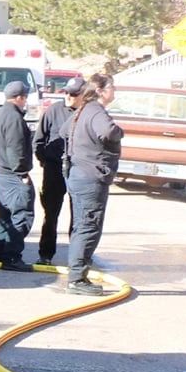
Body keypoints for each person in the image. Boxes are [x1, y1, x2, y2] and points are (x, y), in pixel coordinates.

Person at [64, 71, 124, 295]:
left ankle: (78, 274)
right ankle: (76, 279)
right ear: (100, 91)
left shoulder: (82, 110)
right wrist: (120, 132)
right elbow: (109, 131)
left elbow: (63, 131)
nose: (114, 91)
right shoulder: (96, 111)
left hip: (78, 174)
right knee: (88, 227)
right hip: (90, 178)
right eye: (112, 88)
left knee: (82, 226)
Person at [32, 77, 82, 264]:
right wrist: (45, 160)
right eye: (67, 92)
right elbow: (38, 140)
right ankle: (45, 255)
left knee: (78, 216)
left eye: (74, 94)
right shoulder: (54, 111)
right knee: (51, 214)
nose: (69, 96)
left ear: (82, 95)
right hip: (54, 169)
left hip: (78, 170)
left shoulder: (86, 113)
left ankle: (76, 258)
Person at [0, 79, 36, 270]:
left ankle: (0, 253)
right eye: (25, 97)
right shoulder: (14, 119)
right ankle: (12, 258)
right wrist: (23, 174)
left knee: (5, 214)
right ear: (18, 98)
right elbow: (15, 149)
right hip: (12, 175)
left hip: (0, 172)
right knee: (22, 215)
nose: (26, 101)